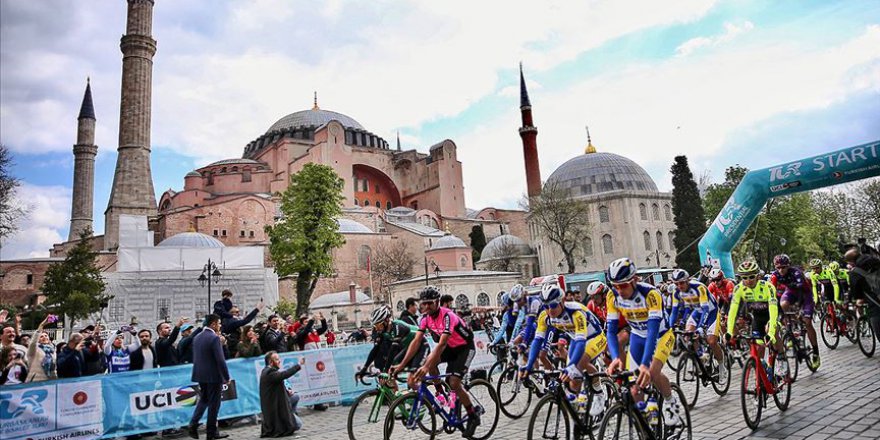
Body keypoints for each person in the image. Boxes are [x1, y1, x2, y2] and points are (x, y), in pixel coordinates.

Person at [392, 285, 481, 437]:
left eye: (430, 303)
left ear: (438, 302)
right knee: (429, 361)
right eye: (424, 303)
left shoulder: (448, 316)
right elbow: (416, 342)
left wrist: (426, 367)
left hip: (465, 348)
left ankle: (473, 415)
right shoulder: (425, 318)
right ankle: (440, 393)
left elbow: (442, 344)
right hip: (450, 348)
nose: (427, 306)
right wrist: (402, 364)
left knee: (454, 382)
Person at [604, 258, 683, 426]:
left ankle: (670, 400)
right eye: (615, 286)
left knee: (652, 374)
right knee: (634, 387)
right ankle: (646, 419)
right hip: (638, 337)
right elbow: (610, 331)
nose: (619, 290)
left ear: (634, 280)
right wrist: (616, 356)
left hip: (661, 336)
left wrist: (646, 364)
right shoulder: (612, 296)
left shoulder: (651, 294)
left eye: (623, 285)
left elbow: (653, 331)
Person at [520, 285, 608, 416]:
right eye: (546, 306)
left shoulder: (575, 312)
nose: (550, 310)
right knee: (573, 380)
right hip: (575, 339)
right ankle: (580, 411)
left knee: (578, 363)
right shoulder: (545, 316)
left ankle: (600, 393)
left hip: (594, 337)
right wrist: (529, 365)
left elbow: (581, 341)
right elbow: (537, 341)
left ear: (561, 301)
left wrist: (572, 366)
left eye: (553, 305)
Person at [726, 261, 786, 370]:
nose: (748, 280)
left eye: (751, 277)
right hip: (757, 318)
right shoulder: (739, 289)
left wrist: (771, 332)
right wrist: (729, 331)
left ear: (758, 276)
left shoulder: (768, 287)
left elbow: (773, 311)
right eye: (744, 278)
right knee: (758, 345)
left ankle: (782, 358)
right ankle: (762, 373)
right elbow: (732, 312)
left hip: (772, 315)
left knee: (771, 332)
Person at [357, 306, 426, 395]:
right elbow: (375, 350)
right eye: (375, 326)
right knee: (390, 372)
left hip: (421, 345)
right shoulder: (383, 331)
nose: (376, 328)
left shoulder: (397, 327)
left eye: (378, 325)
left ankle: (424, 399)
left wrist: (386, 371)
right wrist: (364, 368)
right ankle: (400, 402)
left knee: (411, 381)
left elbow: (393, 350)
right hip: (409, 348)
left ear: (386, 321)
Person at [668, 269, 724, 377]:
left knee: (712, 341)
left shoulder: (699, 287)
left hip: (711, 312)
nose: (679, 286)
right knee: (688, 335)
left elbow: (706, 309)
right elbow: (674, 312)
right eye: (676, 284)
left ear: (688, 280)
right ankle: (702, 356)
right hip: (697, 312)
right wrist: (670, 328)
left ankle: (722, 366)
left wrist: (701, 327)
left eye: (682, 282)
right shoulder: (676, 292)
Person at [770, 254, 820, 369]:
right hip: (791, 292)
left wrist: (798, 307)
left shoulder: (796, 273)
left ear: (788, 266)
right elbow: (771, 291)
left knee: (807, 322)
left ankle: (816, 352)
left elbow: (800, 288)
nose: (781, 270)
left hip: (804, 294)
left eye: (783, 267)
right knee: (783, 304)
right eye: (778, 268)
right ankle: (791, 328)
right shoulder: (775, 275)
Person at [188, 314, 230, 440]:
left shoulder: (197, 337)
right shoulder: (214, 338)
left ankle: (193, 424)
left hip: (200, 374)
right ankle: (211, 433)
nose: (220, 325)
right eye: (219, 323)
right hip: (213, 375)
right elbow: (220, 360)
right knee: (214, 404)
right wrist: (226, 376)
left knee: (204, 399)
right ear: (213, 324)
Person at [259, 351, 303, 437]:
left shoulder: (268, 371)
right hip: (274, 408)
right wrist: (298, 365)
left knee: (295, 397)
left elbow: (277, 386)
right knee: (298, 425)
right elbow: (284, 375)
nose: (279, 361)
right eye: (276, 359)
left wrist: (288, 392)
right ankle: (289, 419)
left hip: (277, 402)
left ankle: (290, 415)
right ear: (271, 362)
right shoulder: (269, 373)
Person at [845, 247, 880, 343]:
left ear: (851, 261)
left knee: (877, 323)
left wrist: (858, 302)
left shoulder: (854, 273)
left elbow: (856, 292)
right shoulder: (875, 259)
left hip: (875, 301)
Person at [585, 281, 630, 355]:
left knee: (616, 343)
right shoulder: (591, 304)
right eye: (591, 297)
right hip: (612, 328)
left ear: (604, 295)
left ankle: (624, 366)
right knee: (604, 354)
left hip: (627, 325)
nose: (593, 300)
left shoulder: (612, 301)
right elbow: (586, 319)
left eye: (596, 297)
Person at [26, 316, 57, 382]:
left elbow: (53, 367)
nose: (44, 337)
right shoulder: (34, 349)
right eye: (41, 336)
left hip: (49, 381)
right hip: (35, 380)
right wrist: (42, 325)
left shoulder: (52, 350)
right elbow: (33, 342)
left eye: (46, 336)